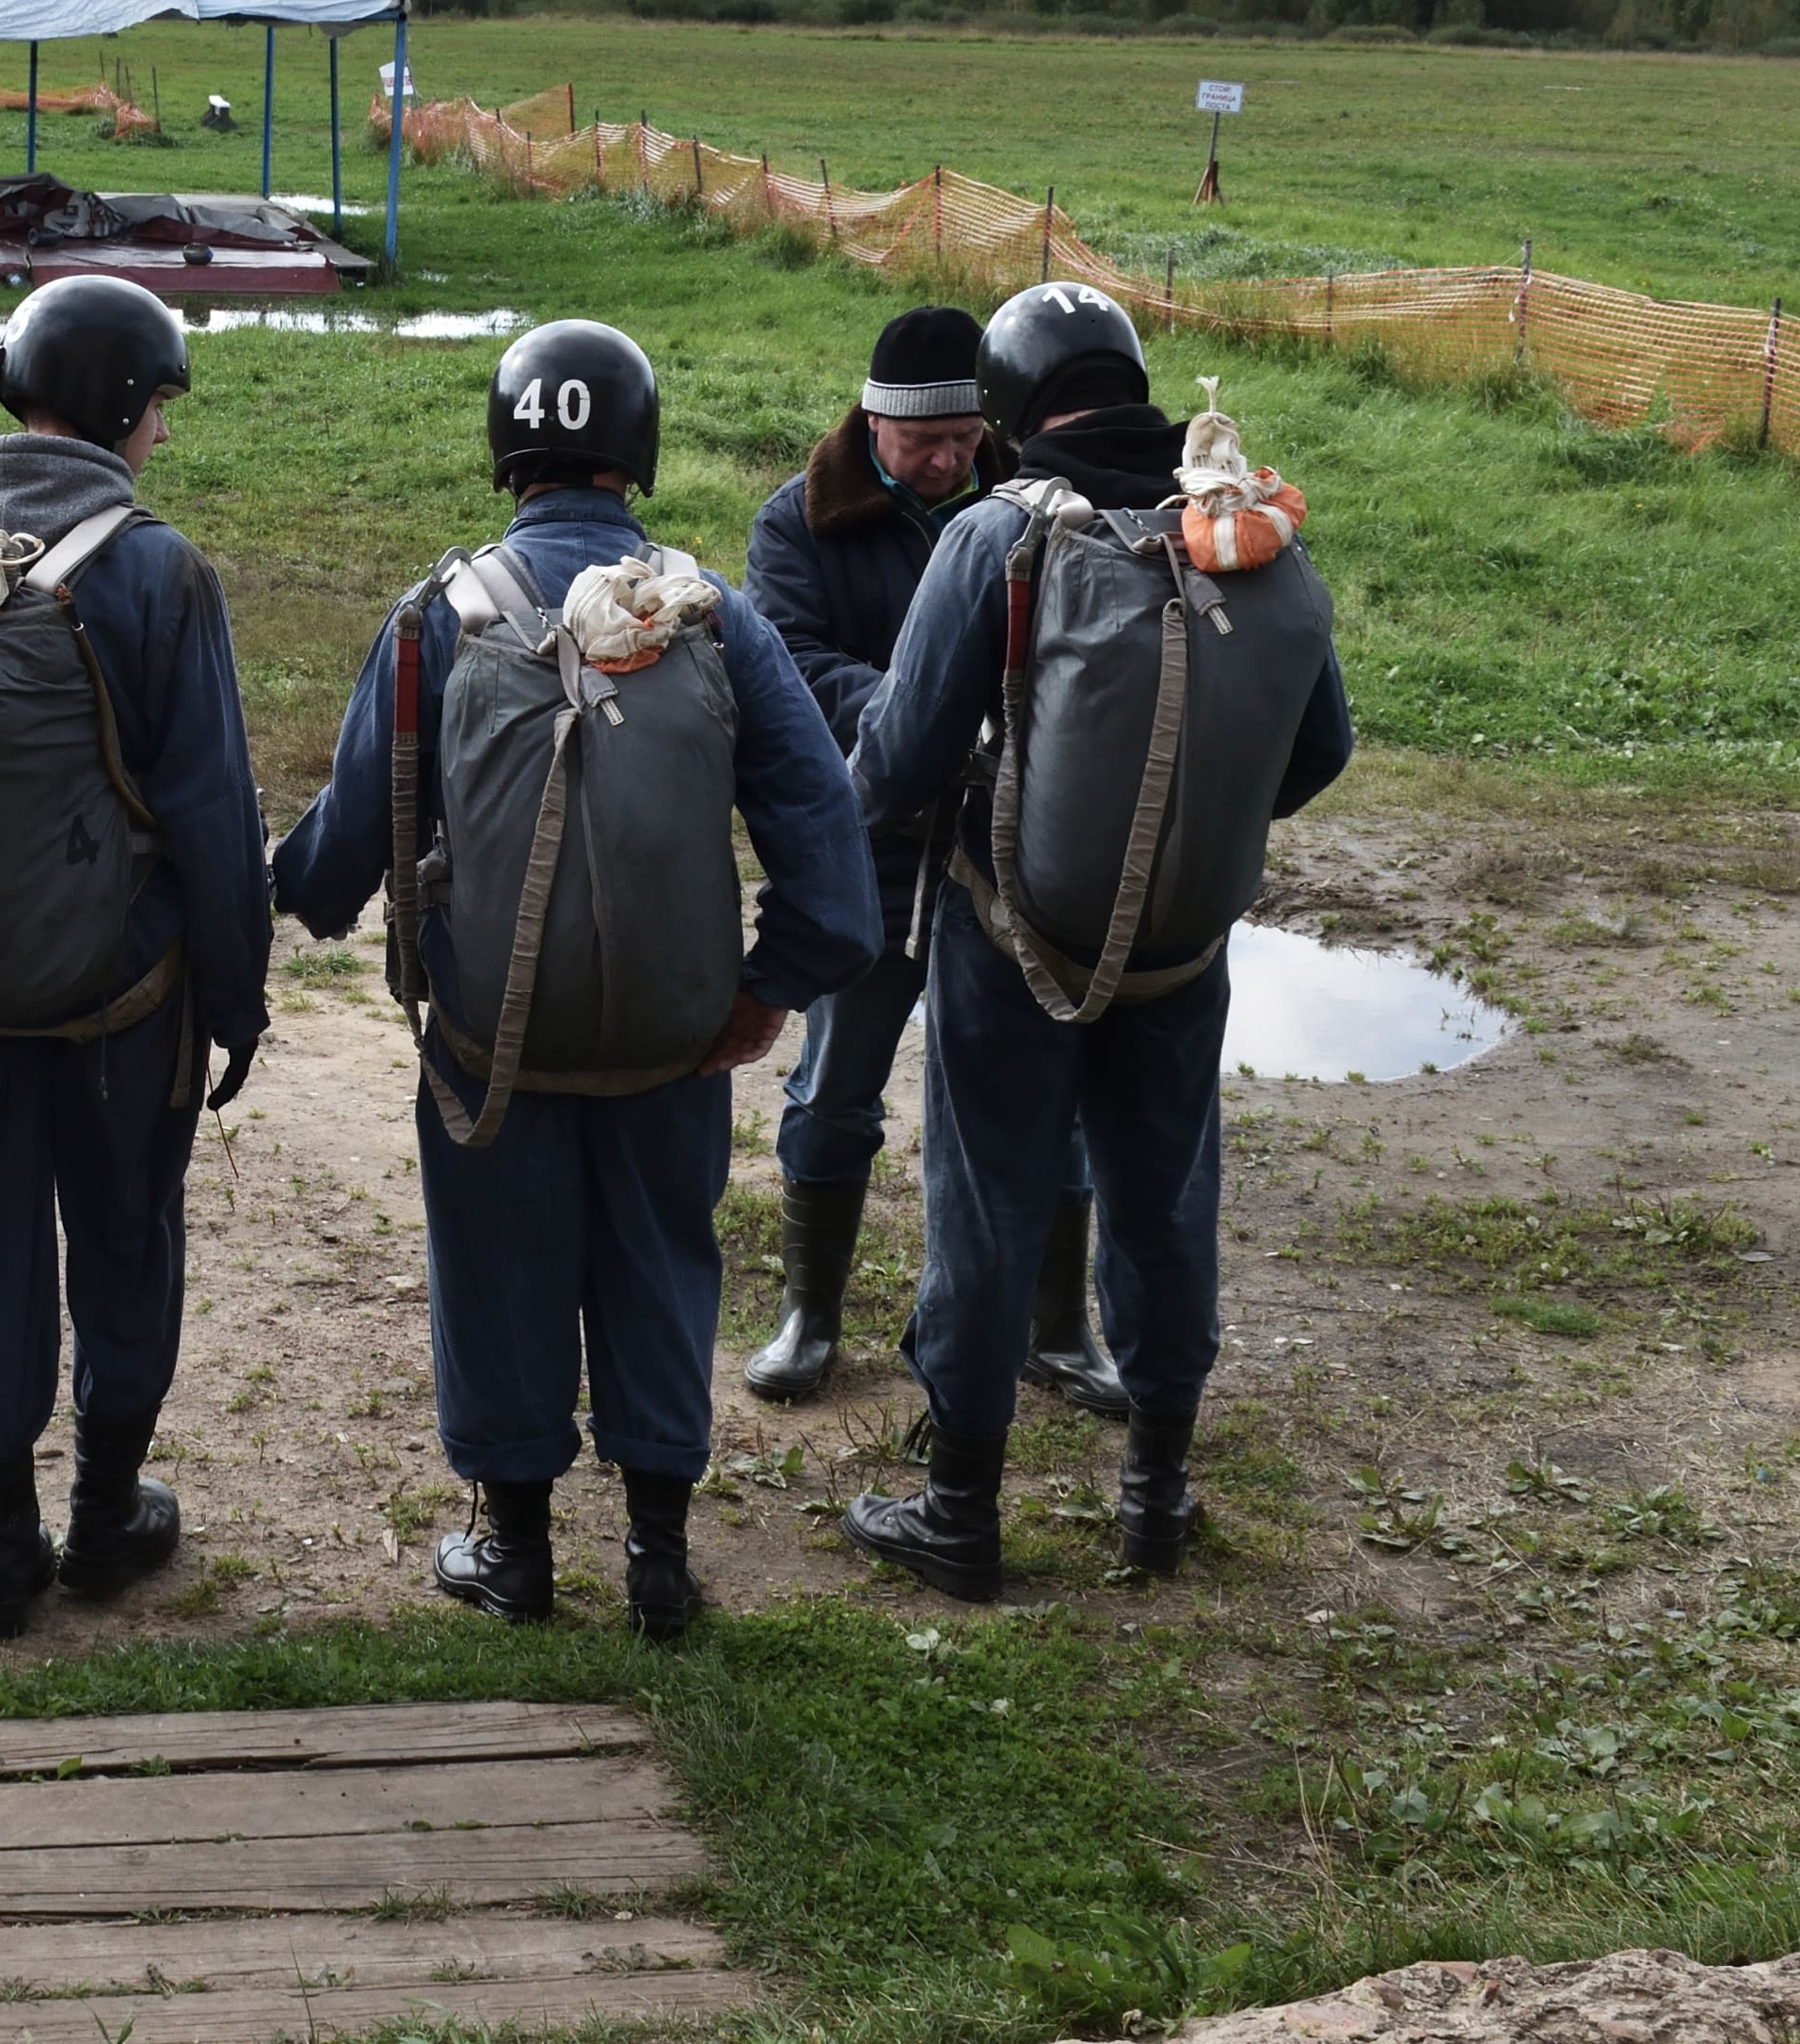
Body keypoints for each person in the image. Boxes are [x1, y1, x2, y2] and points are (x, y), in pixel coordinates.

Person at [274, 322, 878, 1638]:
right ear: (638, 450)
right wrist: (762, 986)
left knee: (498, 1268)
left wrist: (270, 878)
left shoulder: (440, 613)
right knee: (664, 1263)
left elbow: (342, 849)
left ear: (508, 446)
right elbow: (830, 857)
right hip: (674, 1034)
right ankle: (659, 1557)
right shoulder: (718, 616)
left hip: (491, 1039)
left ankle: (518, 1552)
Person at [840, 282, 1353, 1601]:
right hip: (1185, 947)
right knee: (1168, 1199)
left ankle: (961, 1511)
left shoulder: (998, 533)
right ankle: (1156, 1496)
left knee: (986, 1203)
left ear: (1010, 406)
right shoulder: (1252, 532)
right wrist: (1184, 838)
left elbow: (895, 759)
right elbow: (1323, 746)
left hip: (1016, 935)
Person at [0, 275, 270, 1641]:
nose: (161, 440)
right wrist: (239, 999)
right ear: (128, 408)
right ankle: (105, 1516)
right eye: (158, 413)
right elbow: (212, 812)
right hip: (121, 1004)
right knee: (126, 1235)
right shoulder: (151, 568)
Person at [741, 308, 1125, 1417]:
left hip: (1014, 848)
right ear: (874, 423)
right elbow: (791, 668)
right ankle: (810, 1317)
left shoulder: (1030, 505)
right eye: (928, 442)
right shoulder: (798, 524)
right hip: (870, 849)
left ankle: (1059, 1327)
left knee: (1048, 1093)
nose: (952, 458)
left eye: (966, 437)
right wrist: (929, 714)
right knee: (834, 1082)